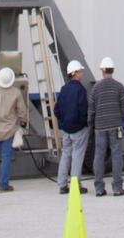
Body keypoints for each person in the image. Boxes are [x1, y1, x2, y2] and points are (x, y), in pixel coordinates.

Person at [89, 56, 124, 197]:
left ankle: (99, 188)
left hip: (100, 127)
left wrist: (91, 125)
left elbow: (91, 110)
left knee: (99, 156)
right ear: (113, 70)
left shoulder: (95, 88)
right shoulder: (119, 86)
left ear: (102, 70)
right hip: (116, 126)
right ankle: (117, 188)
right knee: (116, 155)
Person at [55, 60, 89, 195]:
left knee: (66, 155)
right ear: (75, 73)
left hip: (66, 129)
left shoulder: (64, 89)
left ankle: (62, 185)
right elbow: (83, 110)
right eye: (80, 71)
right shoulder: (80, 89)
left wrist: (63, 123)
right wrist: (83, 123)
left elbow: (56, 109)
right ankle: (75, 185)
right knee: (77, 156)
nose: (82, 74)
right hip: (79, 129)